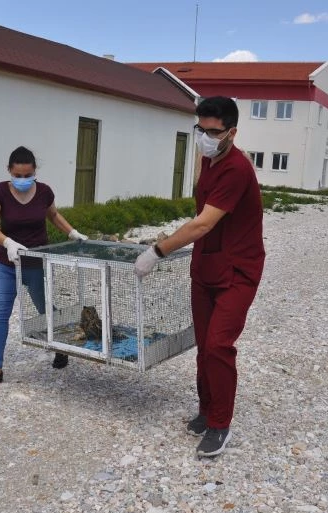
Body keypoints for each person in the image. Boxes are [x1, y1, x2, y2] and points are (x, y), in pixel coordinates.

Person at [134, 97, 265, 457]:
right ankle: (207, 411)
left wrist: (157, 250)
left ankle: (221, 424)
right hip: (207, 264)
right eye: (201, 130)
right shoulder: (209, 161)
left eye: (213, 132)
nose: (205, 137)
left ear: (232, 133)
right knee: (204, 344)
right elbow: (202, 218)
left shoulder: (236, 169)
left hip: (238, 269)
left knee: (220, 345)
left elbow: (204, 222)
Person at [0, 146, 88, 390]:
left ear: (35, 171)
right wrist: (8, 242)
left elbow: (54, 215)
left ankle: (60, 347)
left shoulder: (44, 191)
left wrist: (72, 232)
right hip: (7, 263)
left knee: (45, 308)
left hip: (36, 262)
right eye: (18, 175)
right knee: (0, 312)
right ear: (9, 171)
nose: (22, 180)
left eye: (27, 175)